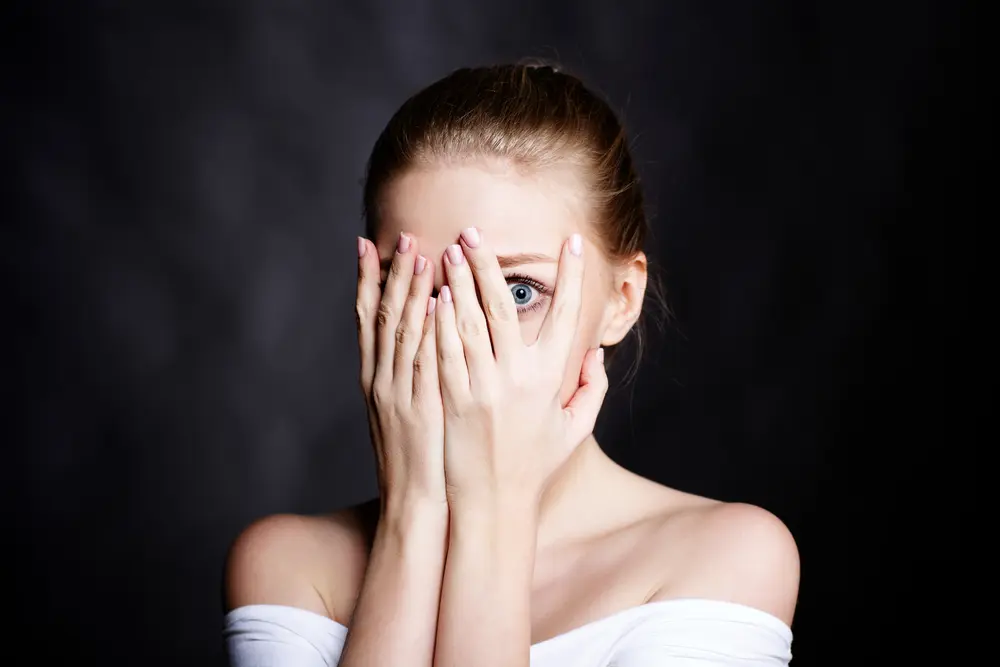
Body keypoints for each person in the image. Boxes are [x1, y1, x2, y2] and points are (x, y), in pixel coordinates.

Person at [223, 63, 800, 667]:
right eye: (412, 289)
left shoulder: (725, 559)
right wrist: (413, 516)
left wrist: (491, 514)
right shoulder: (288, 567)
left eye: (518, 292)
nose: (455, 339)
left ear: (620, 301)